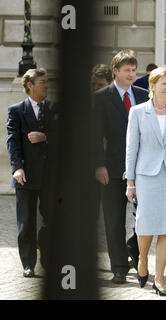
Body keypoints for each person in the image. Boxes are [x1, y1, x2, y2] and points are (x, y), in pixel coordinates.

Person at [125, 67, 166, 297]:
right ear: (152, 86)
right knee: (145, 225)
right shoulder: (137, 112)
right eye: (163, 83)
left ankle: (160, 279)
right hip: (146, 176)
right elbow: (131, 149)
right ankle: (142, 259)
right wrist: (130, 183)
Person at [92, 49, 149, 284]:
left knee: (145, 218)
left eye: (134, 71)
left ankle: (133, 251)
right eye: (127, 71)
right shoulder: (100, 97)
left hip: (144, 168)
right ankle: (118, 267)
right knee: (114, 220)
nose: (131, 75)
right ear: (115, 71)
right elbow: (94, 135)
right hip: (112, 169)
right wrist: (99, 165)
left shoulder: (145, 95)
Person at [6, 68, 59, 278]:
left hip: (50, 177)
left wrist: (45, 136)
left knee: (50, 221)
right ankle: (28, 263)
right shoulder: (16, 110)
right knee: (26, 223)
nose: (47, 85)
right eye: (42, 82)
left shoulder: (55, 108)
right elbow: (12, 141)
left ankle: (48, 261)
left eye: (47, 82)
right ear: (30, 85)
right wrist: (17, 168)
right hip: (25, 176)